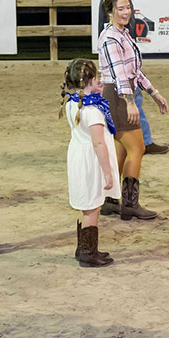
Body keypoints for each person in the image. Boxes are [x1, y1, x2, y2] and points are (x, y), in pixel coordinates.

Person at [98, 0, 169, 221]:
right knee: (137, 148)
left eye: (127, 7)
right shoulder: (110, 38)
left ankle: (110, 200)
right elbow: (120, 75)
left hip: (121, 93)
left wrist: (154, 92)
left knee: (121, 147)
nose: (126, 12)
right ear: (109, 12)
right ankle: (129, 204)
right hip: (118, 95)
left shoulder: (123, 34)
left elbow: (134, 71)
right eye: (120, 8)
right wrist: (129, 103)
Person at [96, 0, 169, 156]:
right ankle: (142, 141)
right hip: (120, 61)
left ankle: (141, 140)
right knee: (131, 100)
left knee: (132, 100)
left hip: (123, 57)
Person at [60, 58, 117, 268]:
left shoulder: (72, 102)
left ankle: (83, 246)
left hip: (77, 155)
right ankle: (88, 252)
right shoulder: (93, 111)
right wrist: (108, 172)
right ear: (91, 80)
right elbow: (99, 143)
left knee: (87, 204)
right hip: (91, 161)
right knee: (92, 206)